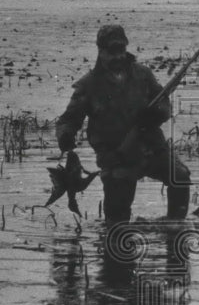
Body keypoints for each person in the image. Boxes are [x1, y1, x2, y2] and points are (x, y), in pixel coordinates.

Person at [55, 25, 191, 225]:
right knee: (116, 224)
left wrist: (155, 115)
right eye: (112, 52)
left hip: (151, 148)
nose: (118, 57)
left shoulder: (143, 75)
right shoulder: (89, 85)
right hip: (116, 157)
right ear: (100, 52)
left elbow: (164, 105)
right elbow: (68, 120)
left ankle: (174, 231)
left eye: (121, 50)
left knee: (180, 176)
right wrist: (65, 136)